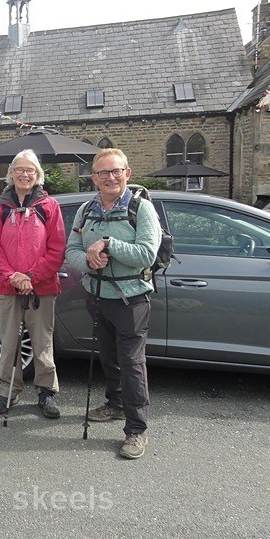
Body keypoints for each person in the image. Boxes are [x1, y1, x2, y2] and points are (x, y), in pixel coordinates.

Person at [65, 148, 162, 460]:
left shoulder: (141, 209)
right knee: (109, 357)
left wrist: (109, 245)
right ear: (94, 178)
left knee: (132, 364)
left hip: (131, 299)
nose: (110, 177)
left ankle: (136, 429)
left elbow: (147, 254)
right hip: (98, 296)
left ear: (127, 174)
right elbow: (72, 250)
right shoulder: (85, 210)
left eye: (116, 171)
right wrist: (90, 260)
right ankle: (116, 404)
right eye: (103, 173)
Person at [0, 150, 66, 418]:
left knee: (42, 343)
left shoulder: (49, 207)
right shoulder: (0, 209)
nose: (24, 174)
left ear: (37, 175)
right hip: (7, 286)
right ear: (10, 174)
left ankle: (46, 392)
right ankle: (8, 390)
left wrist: (31, 277)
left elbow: (56, 249)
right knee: (9, 343)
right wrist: (13, 276)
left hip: (41, 288)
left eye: (30, 170)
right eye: (19, 169)